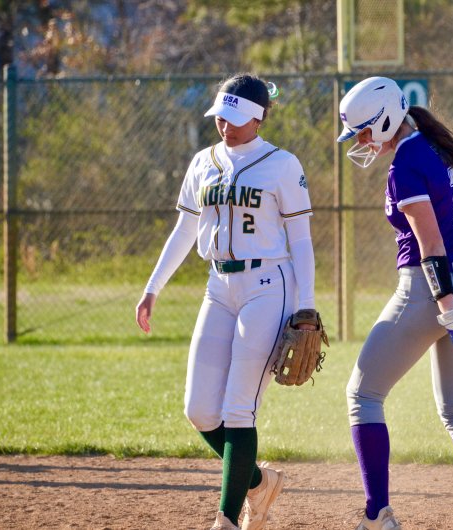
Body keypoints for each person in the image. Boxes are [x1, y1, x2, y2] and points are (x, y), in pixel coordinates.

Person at [135, 73, 320, 530]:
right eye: (221, 116)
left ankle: (227, 519)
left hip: (269, 284)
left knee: (239, 407)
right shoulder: (203, 161)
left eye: (235, 118)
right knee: (198, 409)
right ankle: (259, 482)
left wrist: (307, 304)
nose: (226, 126)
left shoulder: (282, 163)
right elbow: (185, 230)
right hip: (217, 286)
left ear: (259, 117)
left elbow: (301, 239)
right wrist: (152, 287)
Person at [337, 76, 453, 530]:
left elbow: (430, 241)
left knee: (362, 396)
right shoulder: (436, 148)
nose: (362, 142)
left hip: (431, 288)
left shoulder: (405, 163)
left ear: (387, 119)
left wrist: (447, 306)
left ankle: (378, 516)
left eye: (365, 131)